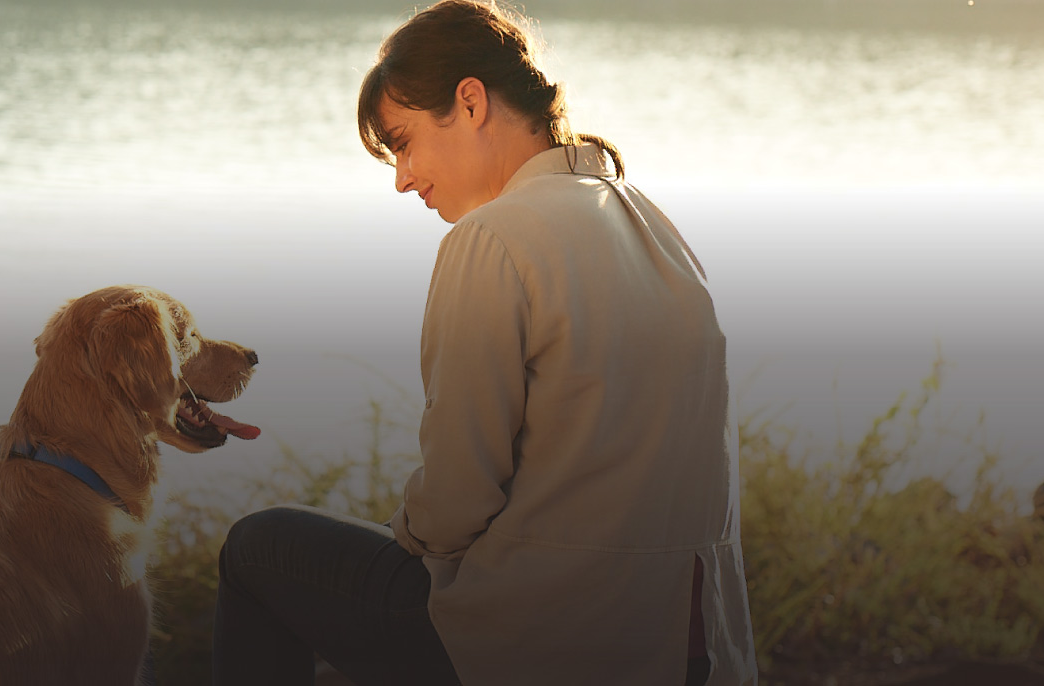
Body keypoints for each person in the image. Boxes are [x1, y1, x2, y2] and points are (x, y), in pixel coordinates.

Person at [211, 1, 756, 684]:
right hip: (691, 645)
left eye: (403, 141)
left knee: (259, 550)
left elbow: (454, 504)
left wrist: (405, 531)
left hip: (553, 640)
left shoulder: (494, 239)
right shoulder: (651, 223)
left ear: (470, 103)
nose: (403, 177)